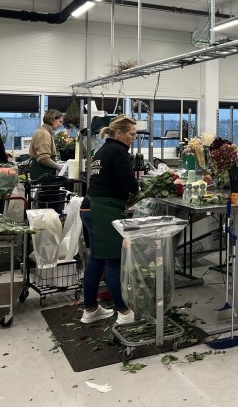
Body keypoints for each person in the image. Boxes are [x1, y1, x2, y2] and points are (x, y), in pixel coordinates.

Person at [80, 115, 138, 325]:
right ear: (119, 133)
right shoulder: (119, 151)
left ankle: (90, 310)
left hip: (88, 207)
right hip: (103, 210)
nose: (133, 138)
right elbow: (131, 185)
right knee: (114, 260)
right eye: (131, 134)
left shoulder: (102, 150)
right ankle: (124, 312)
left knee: (97, 259)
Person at [29, 109, 64, 180]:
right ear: (52, 119)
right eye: (60, 122)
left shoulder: (46, 132)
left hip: (45, 172)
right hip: (42, 173)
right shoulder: (43, 133)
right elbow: (43, 159)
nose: (61, 125)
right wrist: (60, 167)